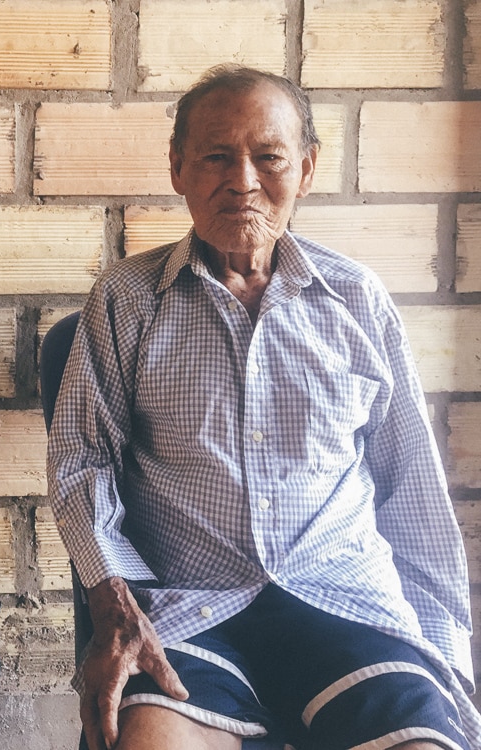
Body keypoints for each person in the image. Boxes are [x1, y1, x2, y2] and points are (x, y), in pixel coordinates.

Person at [48, 64, 479, 750]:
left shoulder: (358, 300)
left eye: (269, 158)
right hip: (192, 611)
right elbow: (82, 463)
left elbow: (413, 495)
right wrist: (114, 601)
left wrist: (449, 665)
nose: (242, 181)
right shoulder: (127, 300)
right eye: (216, 157)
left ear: (306, 169)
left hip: (345, 603)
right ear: (178, 168)